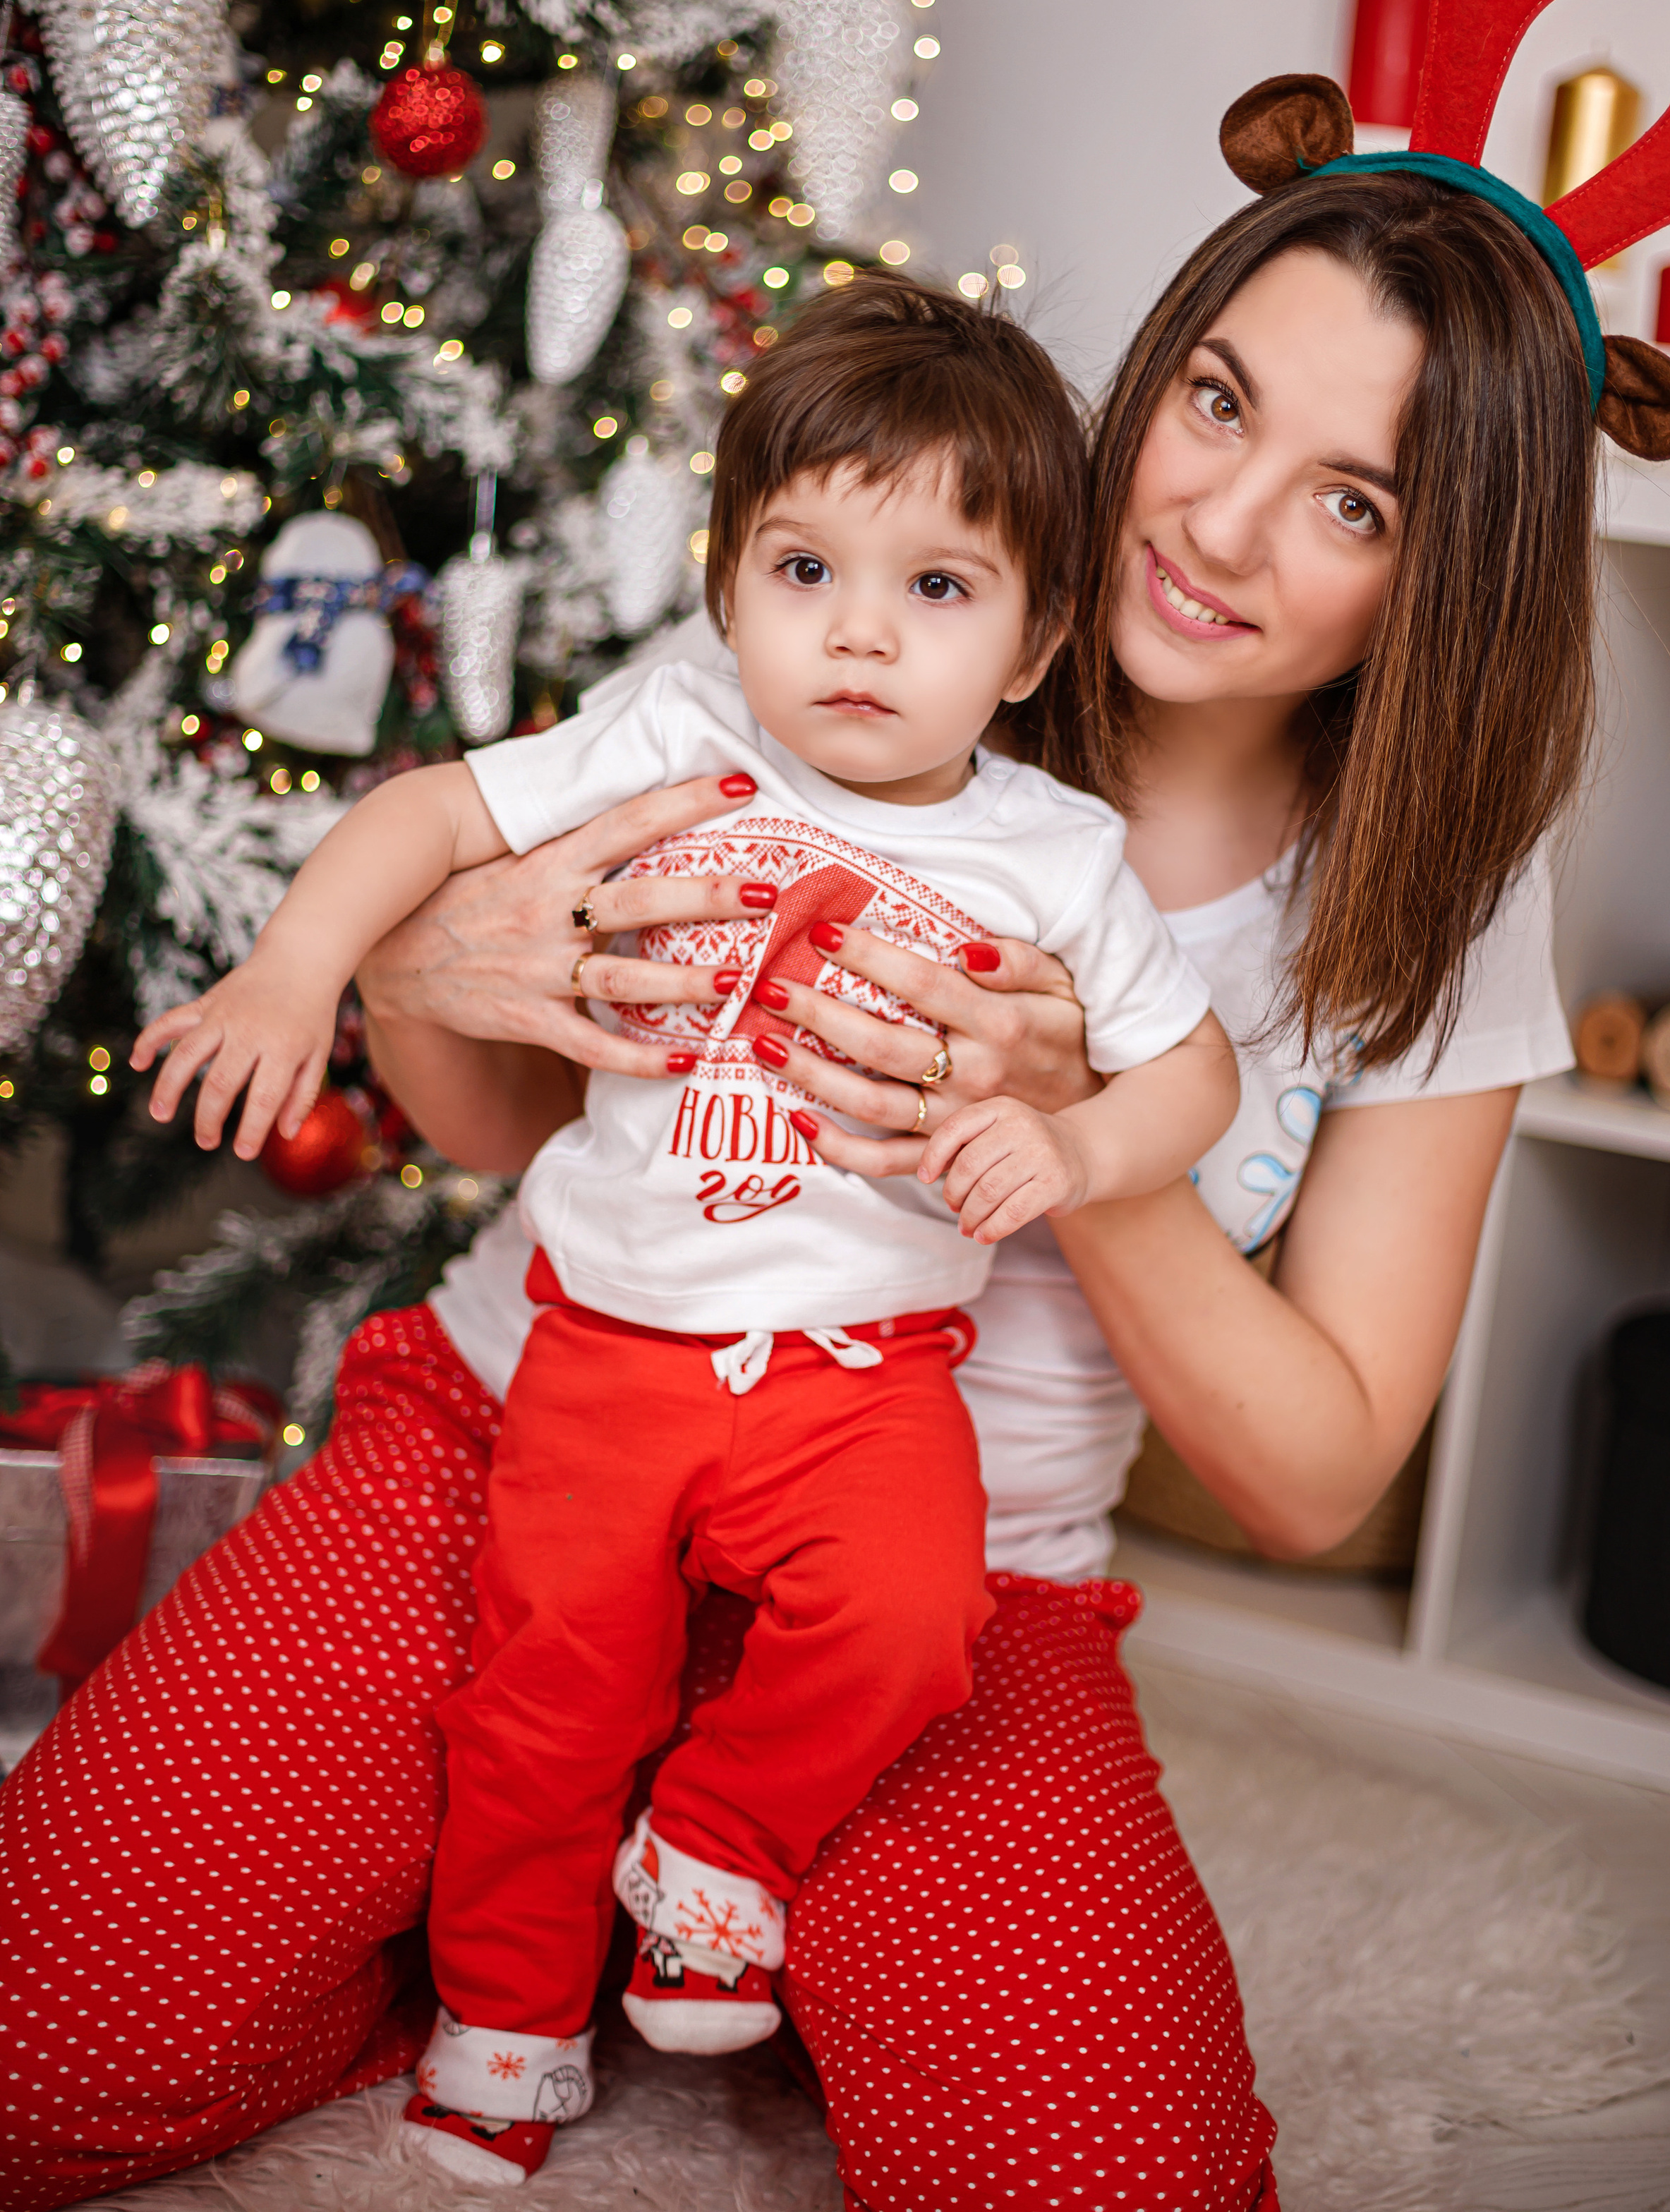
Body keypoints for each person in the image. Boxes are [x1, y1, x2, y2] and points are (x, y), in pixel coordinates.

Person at [0, 163, 1595, 2212]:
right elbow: (493, 1109)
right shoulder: (864, 610)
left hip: (956, 1583)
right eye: (1214, 402)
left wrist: (1078, 1130)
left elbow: (1310, 1478)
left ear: (1448, 575)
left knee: (1111, 2183)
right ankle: (504, 1920)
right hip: (536, 1430)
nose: (1218, 520)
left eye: (1353, 499)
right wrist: (409, 962)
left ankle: (654, 1886)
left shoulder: (1444, 896)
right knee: (54, 2044)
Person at [130, 278, 1238, 2189]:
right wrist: (300, 966)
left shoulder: (1052, 851)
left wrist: (1079, 1149)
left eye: (940, 591)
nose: (860, 635)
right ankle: (503, 2027)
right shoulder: (675, 728)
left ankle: (721, 1845)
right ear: (728, 579)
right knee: (544, 1702)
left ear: (1044, 633)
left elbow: (1197, 1074)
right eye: (804, 566)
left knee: (910, 1618)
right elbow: (431, 810)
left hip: (862, 1382)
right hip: (606, 1357)